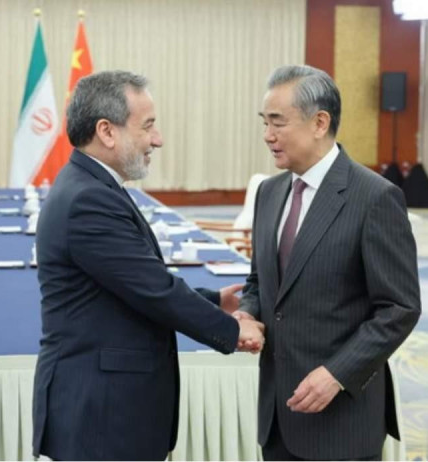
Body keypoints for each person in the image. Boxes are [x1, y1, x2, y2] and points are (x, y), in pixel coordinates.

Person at [32, 71, 265, 461]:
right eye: (148, 126)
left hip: (105, 409)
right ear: (107, 131)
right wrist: (233, 330)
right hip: (101, 416)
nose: (158, 139)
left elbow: (126, 285)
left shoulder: (93, 185)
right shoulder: (89, 199)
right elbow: (153, 289)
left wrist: (211, 301)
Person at [235, 65, 421, 461]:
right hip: (278, 415)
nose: (267, 135)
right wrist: (248, 313)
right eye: (264, 122)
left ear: (320, 123)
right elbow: (259, 282)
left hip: (341, 420)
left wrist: (337, 373)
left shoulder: (374, 198)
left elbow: (399, 308)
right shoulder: (269, 192)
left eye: (278, 122)